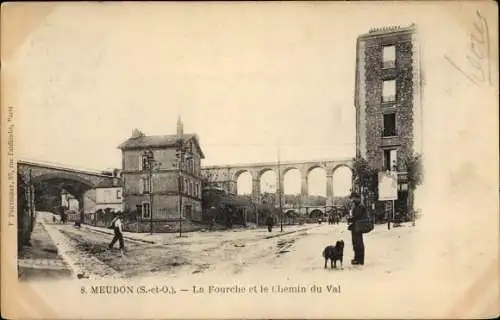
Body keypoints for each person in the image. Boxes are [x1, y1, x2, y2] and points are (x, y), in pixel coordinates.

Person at [347, 192, 366, 265]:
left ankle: (360, 260)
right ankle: (356, 259)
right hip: (355, 227)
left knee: (358, 243)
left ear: (356, 198)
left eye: (353, 198)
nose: (352, 200)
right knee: (355, 243)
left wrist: (350, 219)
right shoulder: (356, 205)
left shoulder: (360, 206)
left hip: (358, 227)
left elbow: (357, 217)